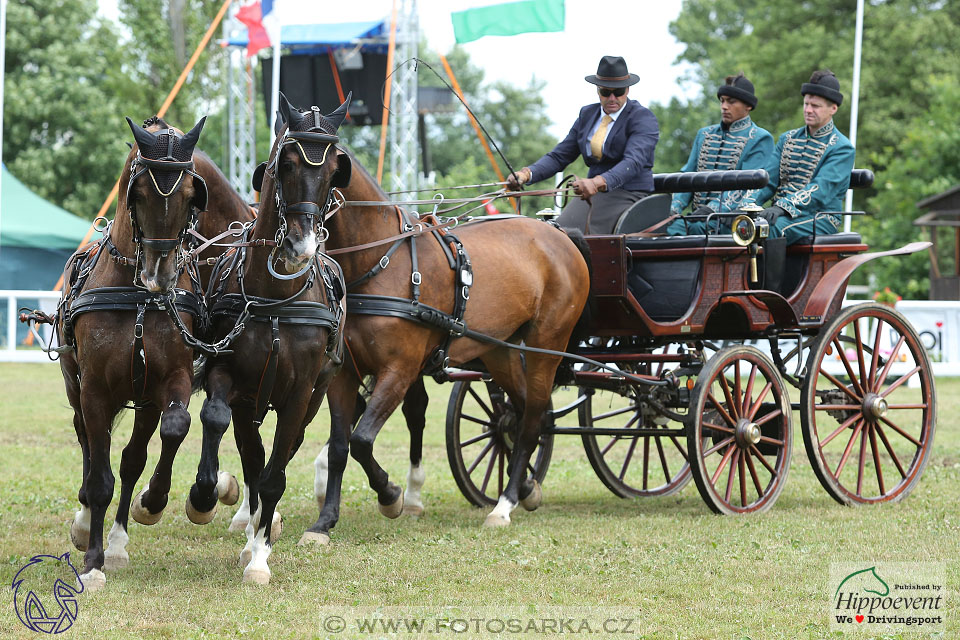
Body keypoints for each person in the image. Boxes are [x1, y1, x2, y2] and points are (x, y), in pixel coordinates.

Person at [506, 55, 659, 234]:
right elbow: (559, 156)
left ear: (627, 90)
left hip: (628, 193)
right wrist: (526, 174)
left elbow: (633, 162)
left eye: (618, 92)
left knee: (571, 235)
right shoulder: (587, 114)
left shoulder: (643, 118)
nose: (612, 98)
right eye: (605, 92)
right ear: (597, 90)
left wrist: (598, 182)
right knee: (555, 232)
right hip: (594, 194)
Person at [740, 69, 856, 244]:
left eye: (815, 106)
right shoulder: (787, 138)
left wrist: (782, 208)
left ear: (833, 108)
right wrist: (744, 207)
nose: (808, 110)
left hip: (820, 218)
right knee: (738, 224)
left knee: (768, 229)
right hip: (782, 214)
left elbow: (820, 190)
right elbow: (768, 180)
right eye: (806, 104)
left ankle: (762, 273)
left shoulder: (842, 147)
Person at [666, 72, 774, 235]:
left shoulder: (760, 138)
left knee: (691, 230)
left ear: (748, 106)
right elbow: (687, 176)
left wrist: (711, 209)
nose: (724, 106)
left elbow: (748, 187)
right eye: (722, 101)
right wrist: (672, 210)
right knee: (665, 229)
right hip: (696, 218)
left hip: (729, 219)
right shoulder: (704, 134)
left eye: (731, 102)